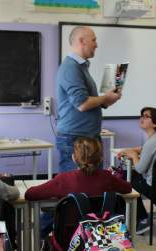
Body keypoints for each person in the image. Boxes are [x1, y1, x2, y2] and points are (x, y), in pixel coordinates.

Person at [25, 137, 132, 236]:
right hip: (102, 236)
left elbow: (30, 194)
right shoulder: (107, 177)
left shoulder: (63, 179)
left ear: (73, 158)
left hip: (69, 238)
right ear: (100, 159)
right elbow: (127, 188)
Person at [56, 26, 121, 172]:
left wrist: (107, 100)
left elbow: (87, 101)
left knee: (91, 186)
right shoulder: (71, 68)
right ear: (81, 41)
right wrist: (105, 98)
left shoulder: (80, 67)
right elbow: (82, 104)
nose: (96, 44)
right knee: (74, 188)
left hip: (86, 135)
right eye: (94, 40)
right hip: (75, 138)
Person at [117, 107, 156, 235]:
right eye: (142, 115)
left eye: (146, 116)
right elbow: (145, 148)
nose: (142, 118)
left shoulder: (153, 141)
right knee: (133, 178)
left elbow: (140, 169)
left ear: (155, 123)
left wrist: (133, 155)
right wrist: (131, 150)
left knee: (129, 183)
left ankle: (143, 219)